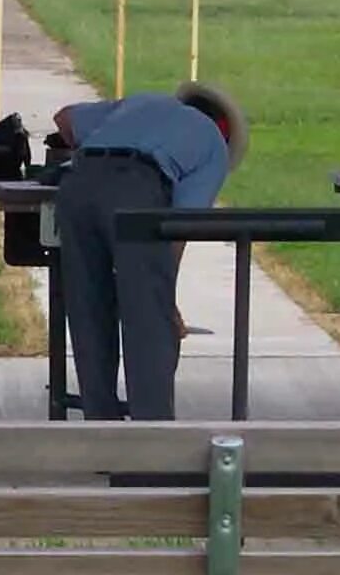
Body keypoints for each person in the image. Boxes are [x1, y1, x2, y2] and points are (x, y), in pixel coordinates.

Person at [51, 82, 248, 420]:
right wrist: (167, 303)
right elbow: (179, 228)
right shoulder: (213, 144)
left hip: (76, 184)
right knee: (148, 322)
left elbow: (65, 119)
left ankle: (101, 435)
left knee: (89, 312)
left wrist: (101, 153)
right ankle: (152, 442)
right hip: (137, 187)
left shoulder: (144, 103)